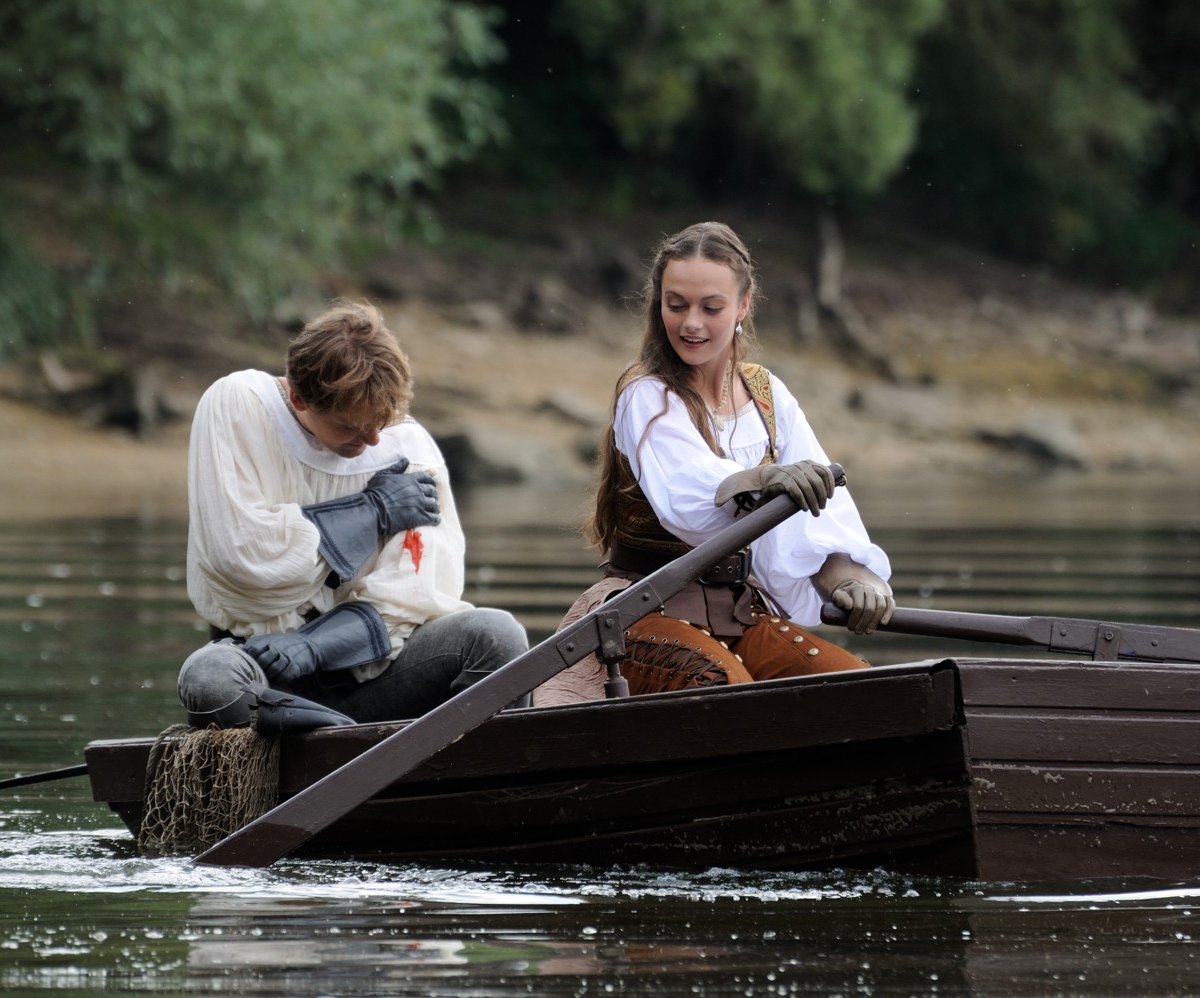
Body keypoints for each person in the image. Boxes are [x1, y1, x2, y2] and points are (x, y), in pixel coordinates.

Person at [536, 221, 895, 705]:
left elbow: (816, 521)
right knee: (728, 695)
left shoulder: (768, 395)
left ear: (743, 306)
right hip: (641, 615)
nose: (691, 324)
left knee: (858, 689)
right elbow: (686, 497)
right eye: (676, 304)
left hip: (741, 614)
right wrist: (762, 479)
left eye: (712, 307)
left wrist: (851, 579)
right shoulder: (646, 393)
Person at [177, 298, 529, 733]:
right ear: (298, 396)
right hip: (265, 680)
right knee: (208, 679)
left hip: (384, 676)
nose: (373, 438)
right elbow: (243, 564)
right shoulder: (238, 405)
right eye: (350, 426)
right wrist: (372, 510)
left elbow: (416, 593)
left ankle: (466, 781)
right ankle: (336, 739)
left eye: (381, 420)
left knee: (499, 637)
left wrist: (312, 647)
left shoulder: (407, 445)